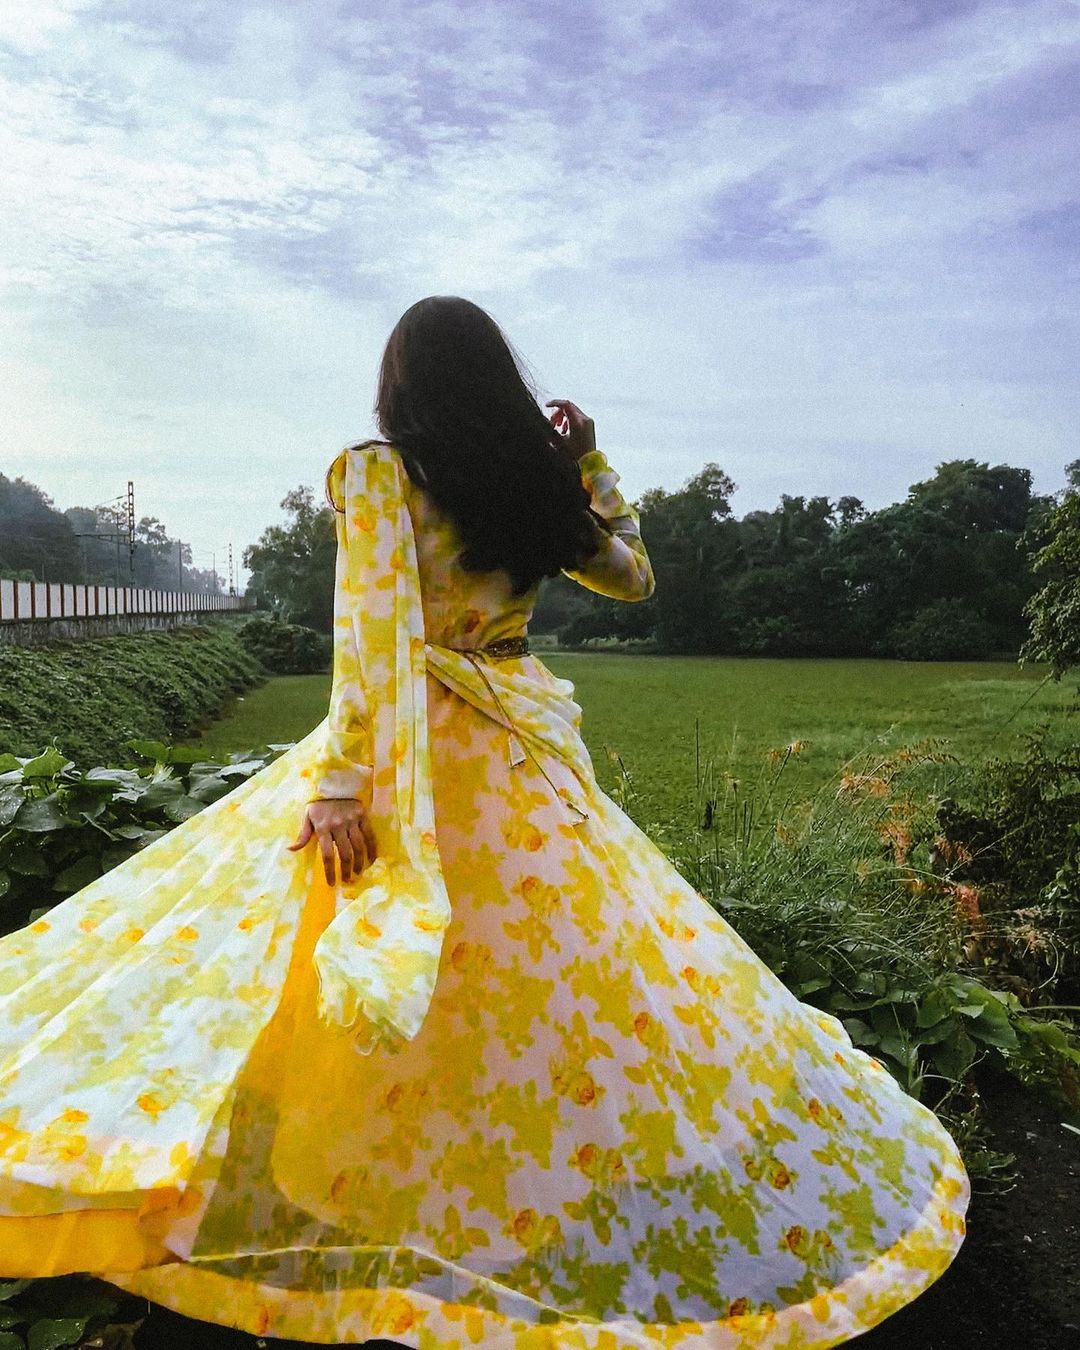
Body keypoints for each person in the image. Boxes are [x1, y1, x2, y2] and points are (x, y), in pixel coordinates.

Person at [0, 296, 968, 1348]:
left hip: (418, 759)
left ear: (402, 381)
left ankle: (360, 1195)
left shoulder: (378, 472)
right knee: (541, 983)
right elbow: (633, 577)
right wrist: (590, 464)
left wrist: (335, 790)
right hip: (515, 752)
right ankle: (518, 1197)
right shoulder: (539, 486)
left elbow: (371, 640)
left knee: (334, 962)